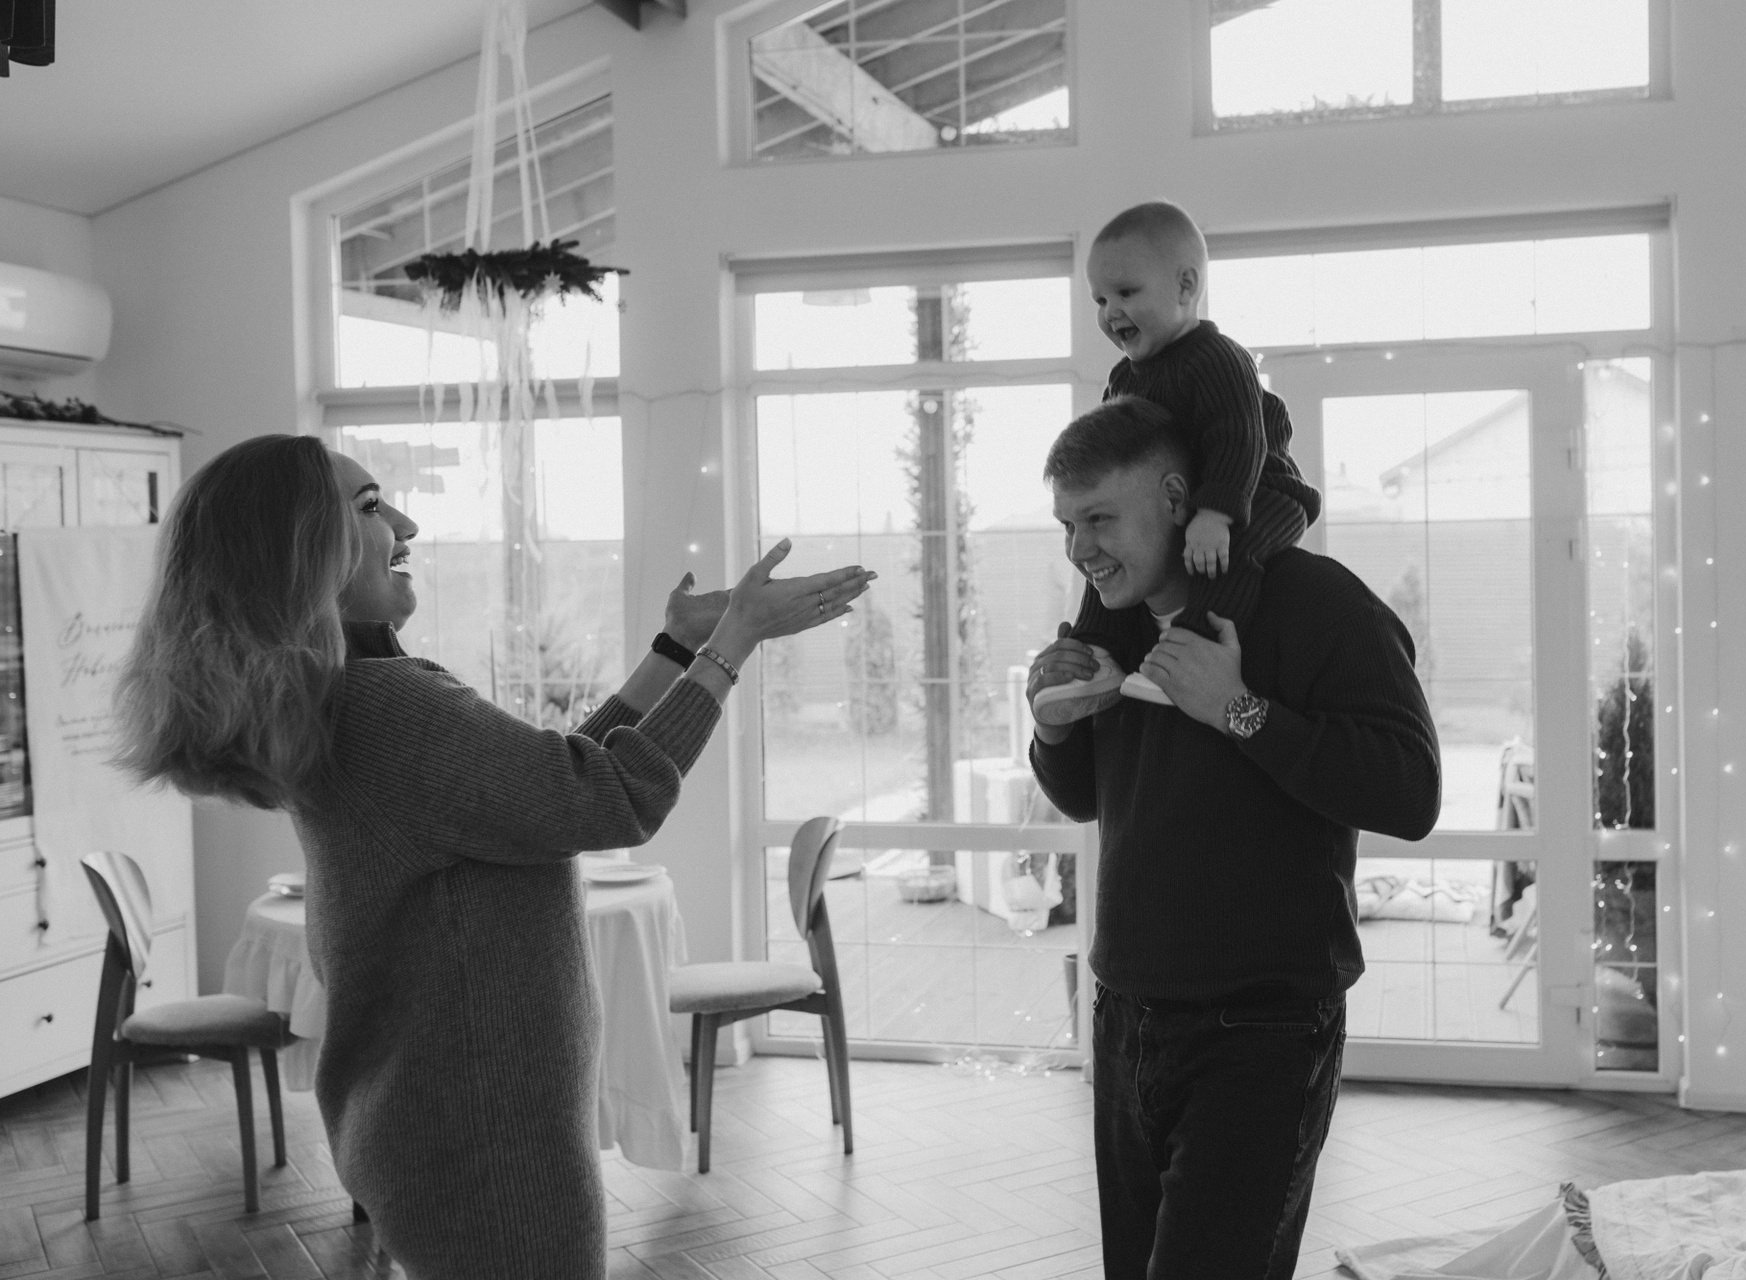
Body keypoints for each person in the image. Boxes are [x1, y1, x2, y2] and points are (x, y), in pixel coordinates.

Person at [114, 434, 874, 1280]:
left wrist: (678, 648)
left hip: (434, 1120)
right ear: (302, 552)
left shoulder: (346, 700)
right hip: (486, 1144)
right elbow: (613, 797)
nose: (405, 524)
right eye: (370, 507)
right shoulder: (386, 704)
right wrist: (731, 647)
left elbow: (553, 784)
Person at [1026, 398, 1440, 1278]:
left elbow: (1412, 793)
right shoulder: (1112, 619)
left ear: (1179, 499)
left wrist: (1240, 710)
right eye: (1067, 525)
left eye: (1099, 519)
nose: (1079, 550)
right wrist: (1054, 726)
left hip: (1262, 1033)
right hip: (1125, 1017)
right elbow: (1089, 798)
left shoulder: (1317, 602)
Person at [1032, 200, 1322, 724]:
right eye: (1100, 299)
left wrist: (1215, 513)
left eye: (1126, 293)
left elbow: (1238, 439)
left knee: (1227, 556)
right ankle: (1095, 656)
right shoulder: (1124, 378)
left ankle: (1192, 651)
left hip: (1259, 493)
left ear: (1186, 287)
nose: (1110, 312)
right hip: (1198, 500)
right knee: (1102, 573)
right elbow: (1110, 449)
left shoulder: (1217, 359)